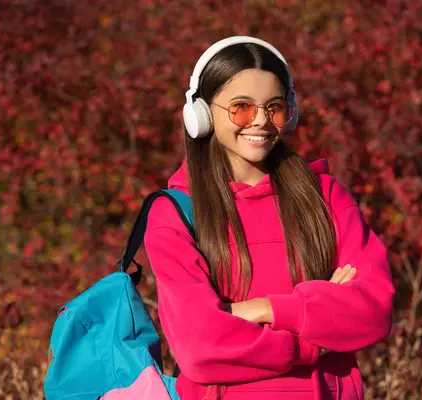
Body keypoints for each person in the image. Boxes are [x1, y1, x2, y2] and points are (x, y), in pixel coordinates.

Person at [144, 36, 394, 400]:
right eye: (241, 107)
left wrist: (262, 309)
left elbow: (374, 311)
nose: (260, 121)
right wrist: (315, 337)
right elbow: (201, 347)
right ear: (201, 114)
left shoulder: (326, 197)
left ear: (289, 113)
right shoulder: (176, 213)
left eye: (274, 107)